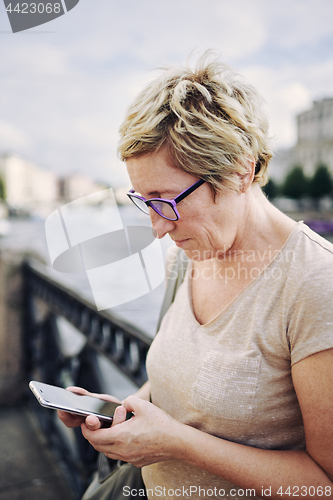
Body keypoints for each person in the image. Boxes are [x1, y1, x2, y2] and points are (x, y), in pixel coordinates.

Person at [58, 53, 333, 499]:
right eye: (144, 200)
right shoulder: (190, 255)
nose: (157, 226)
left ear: (239, 171)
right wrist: (126, 411)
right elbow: (183, 385)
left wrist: (176, 444)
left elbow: (324, 486)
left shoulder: (317, 285)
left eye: (167, 200)